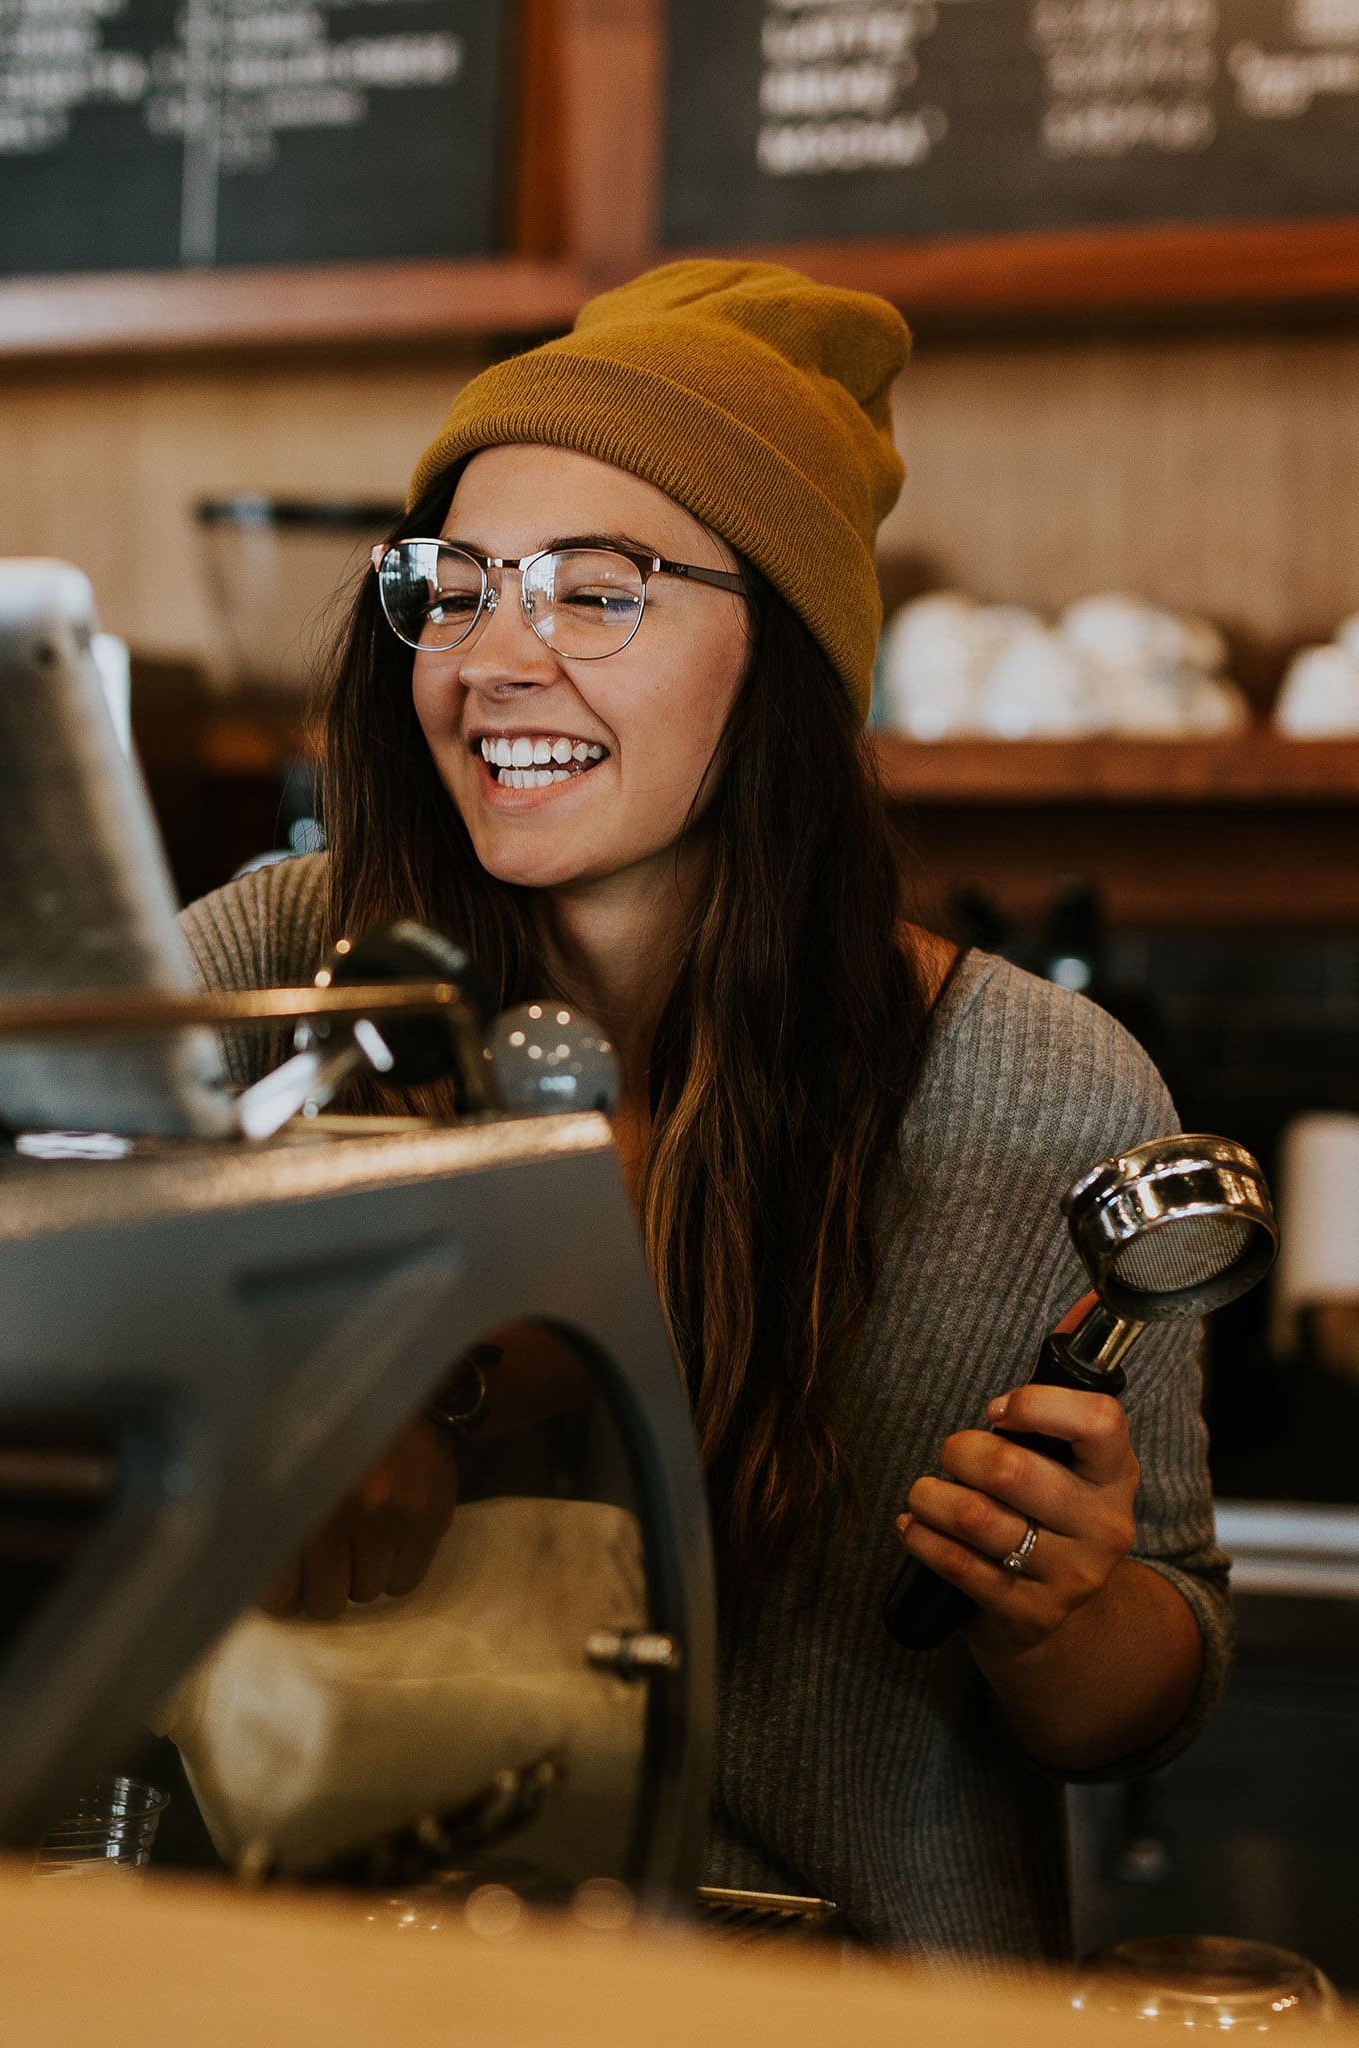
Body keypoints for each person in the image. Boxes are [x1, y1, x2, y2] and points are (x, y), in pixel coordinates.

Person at [178, 261, 1230, 1965]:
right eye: (455, 586)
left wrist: (1066, 1614)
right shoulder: (261, 979)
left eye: (599, 596)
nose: (494, 659)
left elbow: (1144, 1698)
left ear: (784, 665)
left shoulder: (1037, 1084)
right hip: (297, 1984)